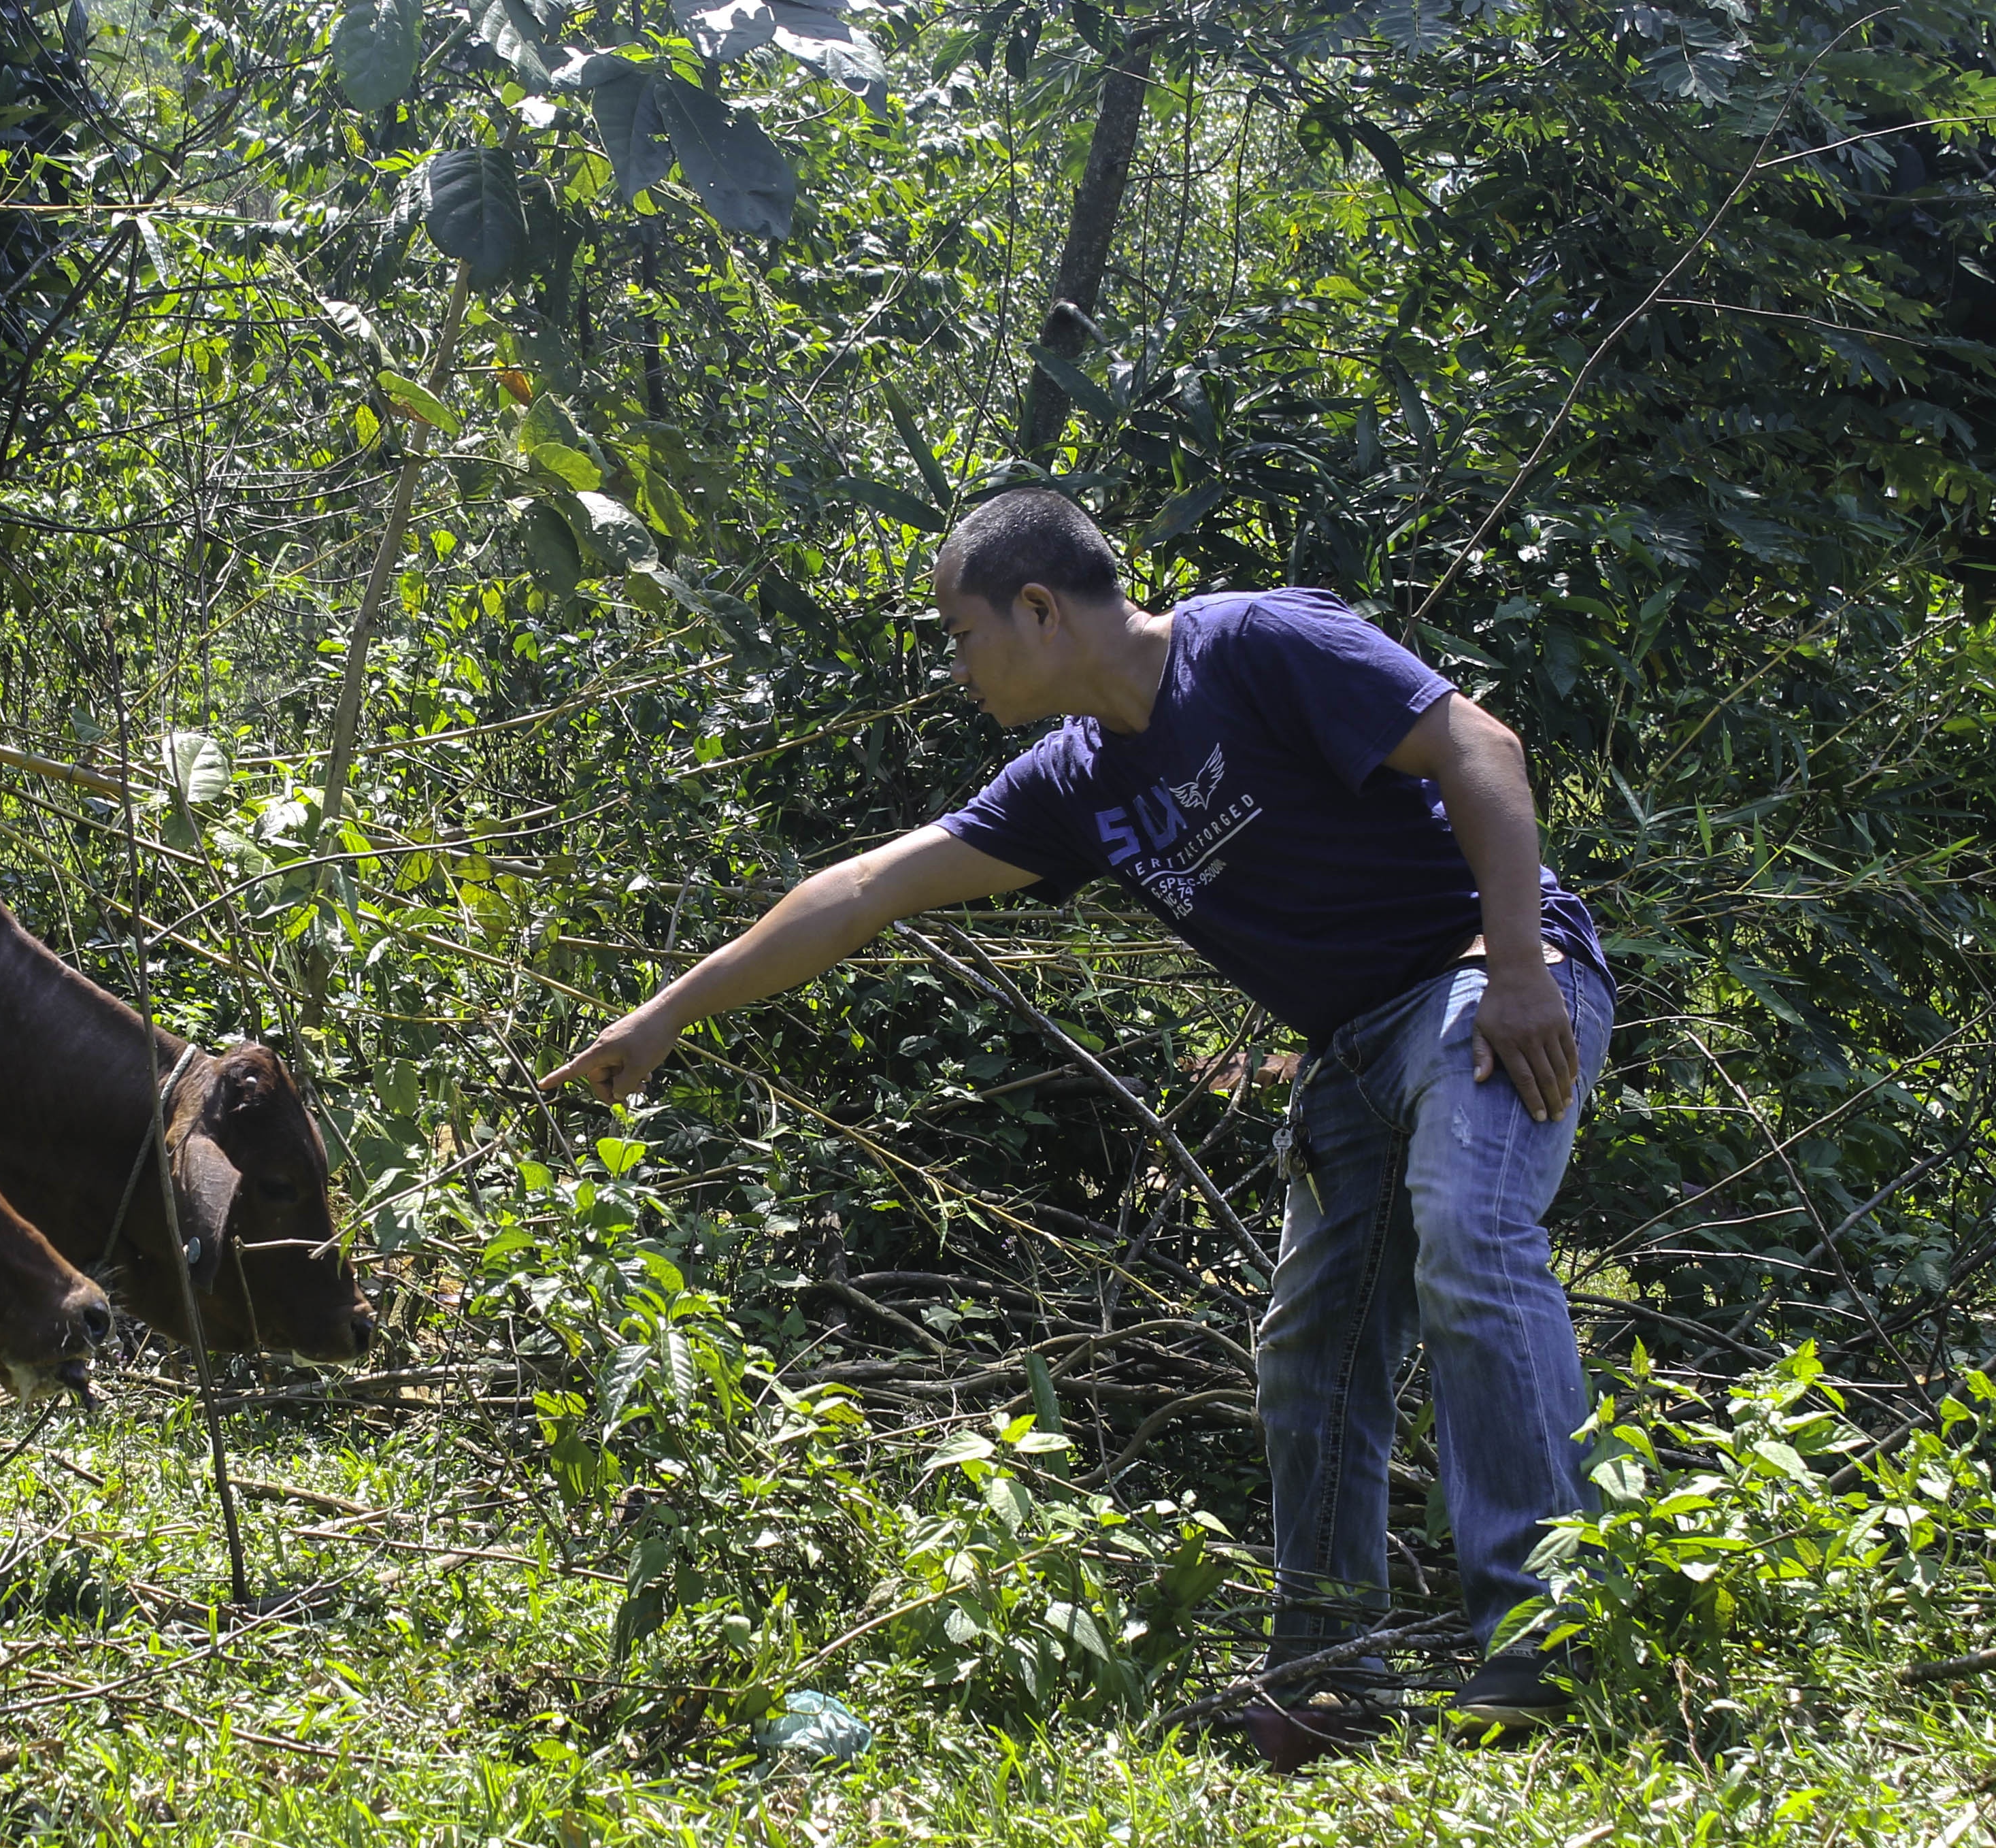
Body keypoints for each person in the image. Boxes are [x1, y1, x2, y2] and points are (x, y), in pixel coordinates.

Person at [541, 487, 1614, 1745]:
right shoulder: (1075, 782)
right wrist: (670, 1010)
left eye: (962, 632)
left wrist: (1524, 969)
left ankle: (1549, 1644)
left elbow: (1481, 747)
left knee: (1472, 1238)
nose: (956, 665)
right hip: (1354, 1057)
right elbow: (863, 890)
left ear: (1040, 608)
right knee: (1310, 1348)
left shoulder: (1258, 642)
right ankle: (1332, 1680)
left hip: (1486, 985)